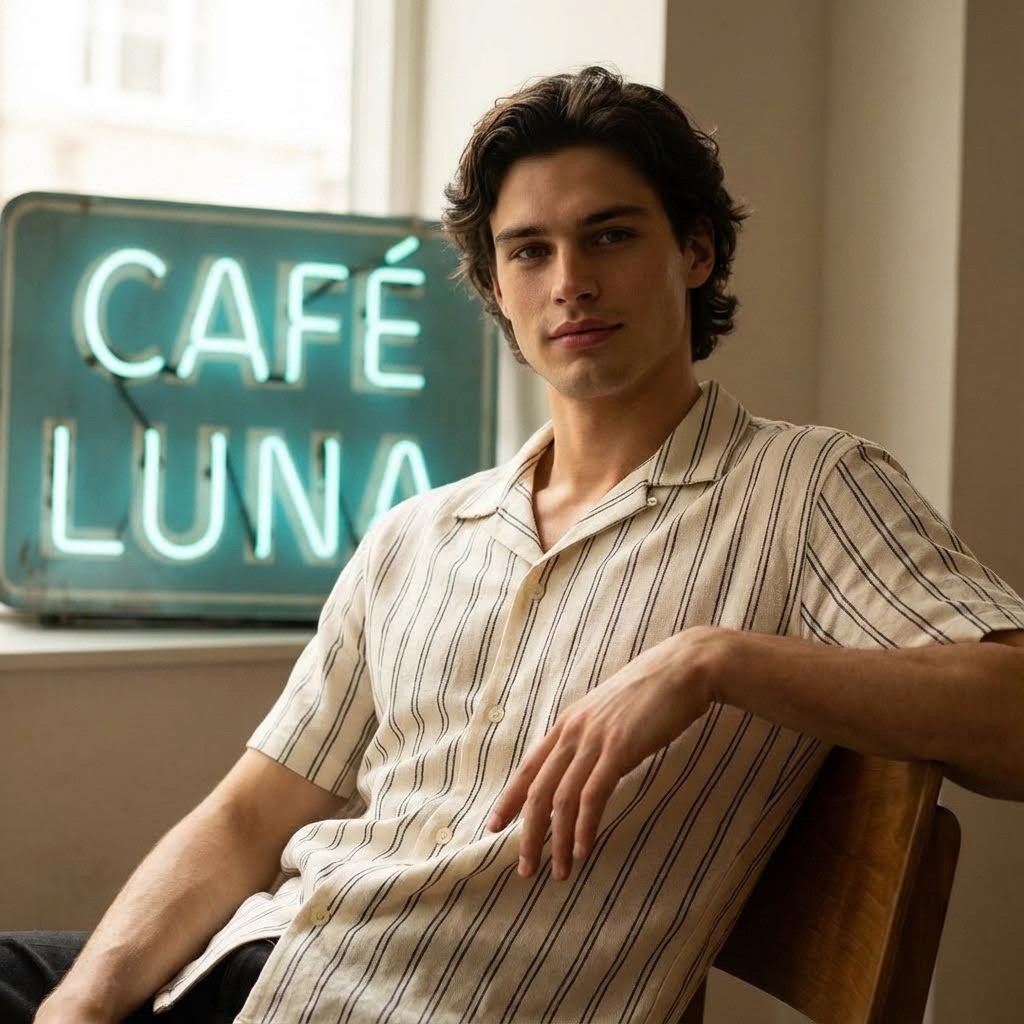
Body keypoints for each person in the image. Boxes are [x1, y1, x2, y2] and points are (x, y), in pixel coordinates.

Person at [6, 65, 1024, 1024]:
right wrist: (85, 1003)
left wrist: (715, 659)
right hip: (255, 960)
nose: (568, 281)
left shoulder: (805, 489)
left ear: (696, 251)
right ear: (494, 285)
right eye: (529, 250)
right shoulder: (416, 533)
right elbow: (248, 815)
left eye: (610, 236)